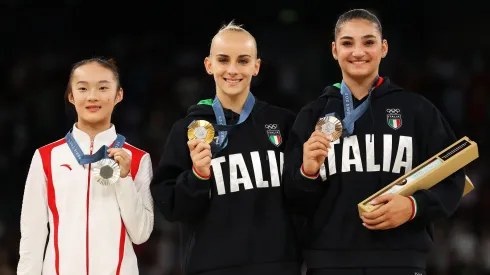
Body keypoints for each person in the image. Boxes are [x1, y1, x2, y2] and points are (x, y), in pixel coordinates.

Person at [283, 9, 465, 275]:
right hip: (329, 263)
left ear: (384, 48)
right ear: (334, 50)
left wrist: (414, 206)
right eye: (347, 43)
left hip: (400, 261)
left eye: (368, 42)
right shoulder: (311, 115)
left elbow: (452, 174)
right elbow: (291, 199)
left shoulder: (416, 110)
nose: (358, 52)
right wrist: (307, 172)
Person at [150, 21, 302, 275]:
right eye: (223, 60)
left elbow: (302, 197)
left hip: (277, 266)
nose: (232, 70)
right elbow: (171, 207)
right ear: (209, 65)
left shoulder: (283, 123)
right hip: (211, 267)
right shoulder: (187, 129)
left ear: (256, 67)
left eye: (243, 61)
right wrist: (197, 175)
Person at [17, 57, 154, 275]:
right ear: (71, 96)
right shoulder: (46, 157)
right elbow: (32, 235)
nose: (92, 97)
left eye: (102, 88)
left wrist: (124, 179)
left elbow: (141, 233)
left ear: (118, 95)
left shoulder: (137, 159)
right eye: (83, 88)